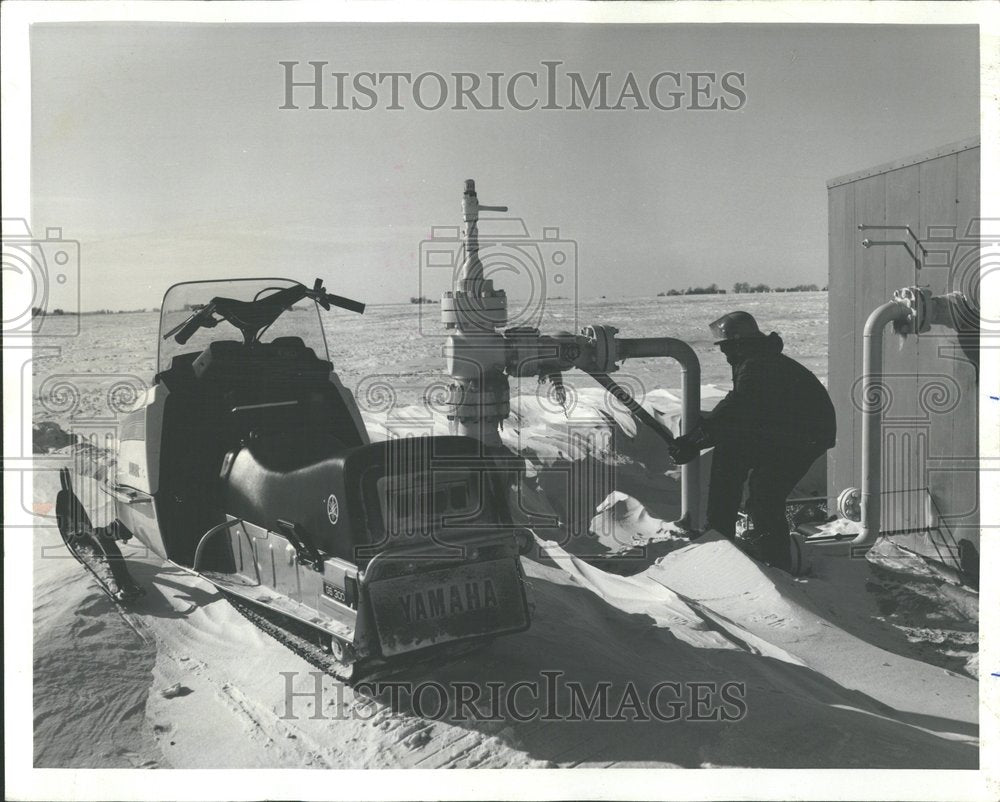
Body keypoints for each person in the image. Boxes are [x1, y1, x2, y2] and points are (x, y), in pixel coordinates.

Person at [669, 311, 835, 572]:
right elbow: (738, 407)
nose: (723, 354)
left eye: (725, 347)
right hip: (786, 429)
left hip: (804, 435)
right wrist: (701, 435)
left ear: (737, 343)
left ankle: (774, 560)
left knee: (765, 491)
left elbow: (739, 407)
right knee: (731, 456)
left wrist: (695, 440)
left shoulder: (759, 365)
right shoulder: (754, 359)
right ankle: (722, 536)